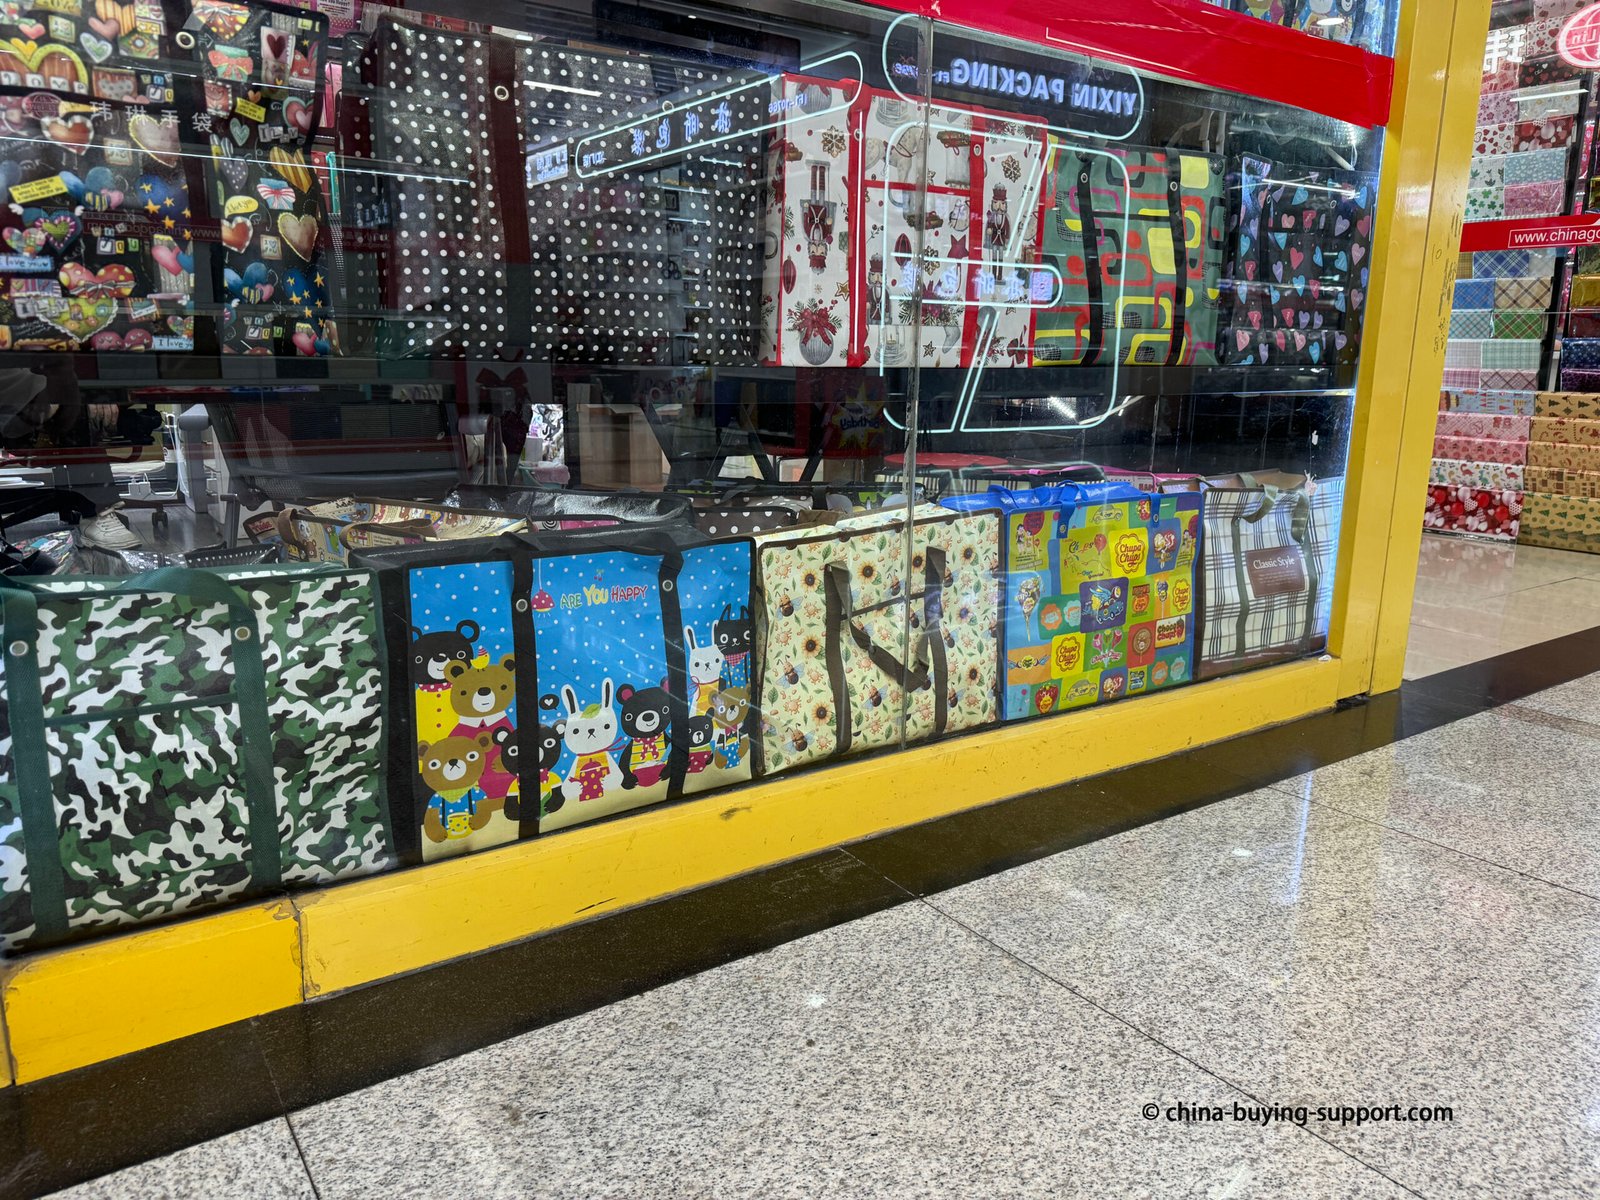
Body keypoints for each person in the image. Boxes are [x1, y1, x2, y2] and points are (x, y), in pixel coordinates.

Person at [0, 361, 141, 550]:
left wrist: (97, 390)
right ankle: (95, 511)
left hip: (64, 400)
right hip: (21, 415)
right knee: (74, 407)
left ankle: (95, 510)